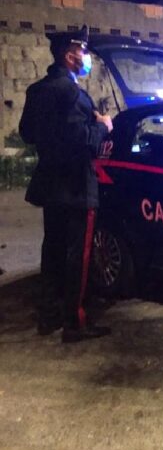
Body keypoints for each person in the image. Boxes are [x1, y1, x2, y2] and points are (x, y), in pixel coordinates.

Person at [19, 26, 114, 343]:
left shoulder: (37, 90)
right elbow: (84, 142)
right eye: (83, 51)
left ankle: (48, 316)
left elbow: (28, 133)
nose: (86, 57)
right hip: (76, 186)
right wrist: (103, 126)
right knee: (78, 257)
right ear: (69, 55)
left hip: (51, 185)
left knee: (53, 253)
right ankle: (76, 322)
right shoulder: (71, 93)